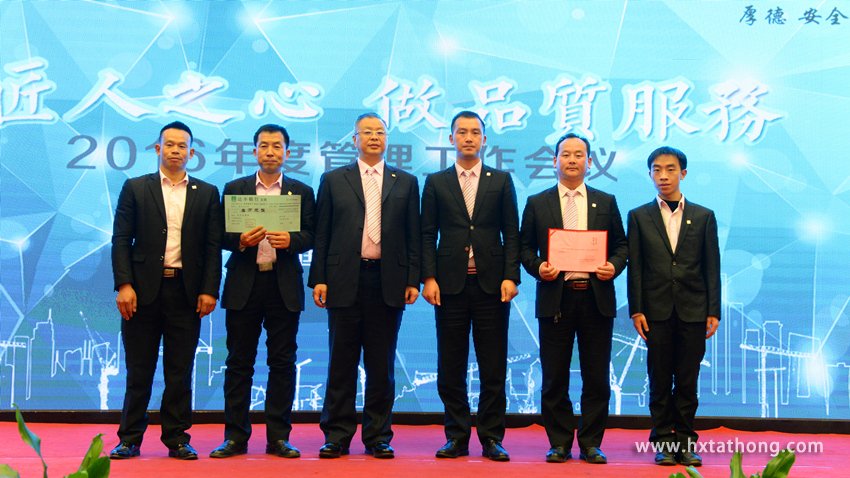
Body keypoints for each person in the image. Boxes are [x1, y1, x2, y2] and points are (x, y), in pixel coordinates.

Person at [307, 113, 420, 459]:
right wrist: (319, 278)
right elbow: (322, 233)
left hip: (387, 281)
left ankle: (378, 436)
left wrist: (412, 279)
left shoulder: (406, 182)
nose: (374, 137)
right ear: (354, 139)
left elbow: (413, 235)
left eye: (380, 132)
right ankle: (337, 434)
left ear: (387, 139)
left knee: (381, 365)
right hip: (343, 280)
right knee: (341, 362)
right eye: (366, 132)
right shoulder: (333, 179)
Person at [110, 121, 222, 460]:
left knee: (180, 371)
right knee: (139, 370)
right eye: (169, 144)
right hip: (141, 293)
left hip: (186, 293)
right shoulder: (135, 187)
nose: (176, 150)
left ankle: (177, 438)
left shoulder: (207, 193)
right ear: (158, 148)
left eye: (182, 145)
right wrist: (124, 284)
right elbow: (121, 240)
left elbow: (212, 247)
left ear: (192, 152)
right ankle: (129, 438)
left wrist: (209, 290)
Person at [518, 133, 627, 464]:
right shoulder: (538, 202)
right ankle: (560, 442)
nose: (572, 160)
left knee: (596, 376)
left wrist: (613, 266)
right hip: (556, 298)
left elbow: (622, 246)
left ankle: (591, 442)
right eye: (566, 154)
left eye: (579, 155)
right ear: (554, 161)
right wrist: (539, 267)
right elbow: (524, 248)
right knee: (554, 376)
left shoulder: (605, 201)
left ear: (589, 162)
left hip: (595, 298)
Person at [209, 124, 315, 459]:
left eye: (277, 146)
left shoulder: (301, 191)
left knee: (282, 362)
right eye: (264, 146)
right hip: (245, 283)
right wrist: (240, 240)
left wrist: (292, 241)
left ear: (287, 152)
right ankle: (235, 437)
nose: (270, 152)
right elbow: (219, 234)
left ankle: (278, 437)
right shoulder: (235, 189)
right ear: (254, 151)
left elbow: (312, 234)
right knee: (238, 363)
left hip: (283, 285)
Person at [421, 110, 520, 462]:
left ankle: (492, 437)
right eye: (461, 132)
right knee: (451, 366)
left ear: (484, 140)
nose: (468, 138)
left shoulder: (501, 180)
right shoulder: (436, 182)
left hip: (492, 286)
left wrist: (511, 276)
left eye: (474, 132)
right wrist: (428, 278)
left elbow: (512, 232)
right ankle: (457, 436)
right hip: (449, 286)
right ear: (451, 139)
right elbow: (427, 233)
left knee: (493, 366)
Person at [627, 146, 720, 467]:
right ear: (650, 174)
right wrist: (636, 309)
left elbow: (712, 267)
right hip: (655, 311)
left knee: (687, 381)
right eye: (656, 169)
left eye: (670, 169)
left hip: (694, 310)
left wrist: (714, 310)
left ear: (683, 173)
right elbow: (636, 267)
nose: (663, 176)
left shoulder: (704, 216)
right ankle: (664, 443)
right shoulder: (639, 216)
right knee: (659, 379)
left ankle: (686, 442)